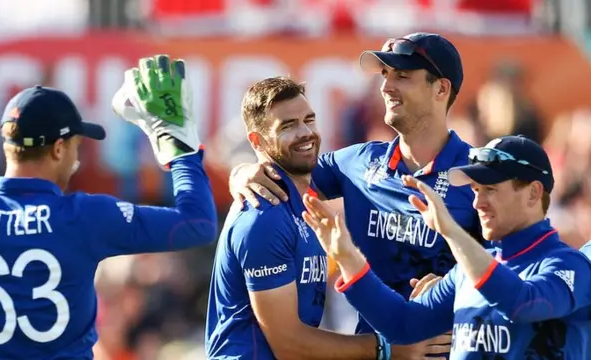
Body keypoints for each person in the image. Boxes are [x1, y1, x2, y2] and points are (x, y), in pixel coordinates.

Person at [0, 55, 217, 359]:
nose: (77, 159)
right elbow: (197, 224)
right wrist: (181, 151)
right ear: (58, 148)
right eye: (77, 146)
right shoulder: (83, 217)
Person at [228, 32, 475, 357]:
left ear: (441, 88)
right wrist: (242, 172)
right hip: (377, 351)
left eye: (402, 76)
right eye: (384, 75)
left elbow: (519, 268)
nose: (386, 87)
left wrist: (457, 291)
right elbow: (285, 169)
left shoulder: (482, 176)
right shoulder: (357, 163)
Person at [304, 135, 591, 358]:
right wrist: (348, 258)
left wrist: (453, 234)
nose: (478, 202)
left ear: (533, 192)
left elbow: (525, 303)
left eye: (490, 189)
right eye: (476, 190)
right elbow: (403, 325)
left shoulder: (570, 266)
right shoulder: (469, 270)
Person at [205, 77, 384, 360]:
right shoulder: (264, 217)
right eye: (287, 126)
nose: (306, 132)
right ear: (257, 140)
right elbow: (289, 345)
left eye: (309, 120)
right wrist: (386, 350)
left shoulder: (301, 194)